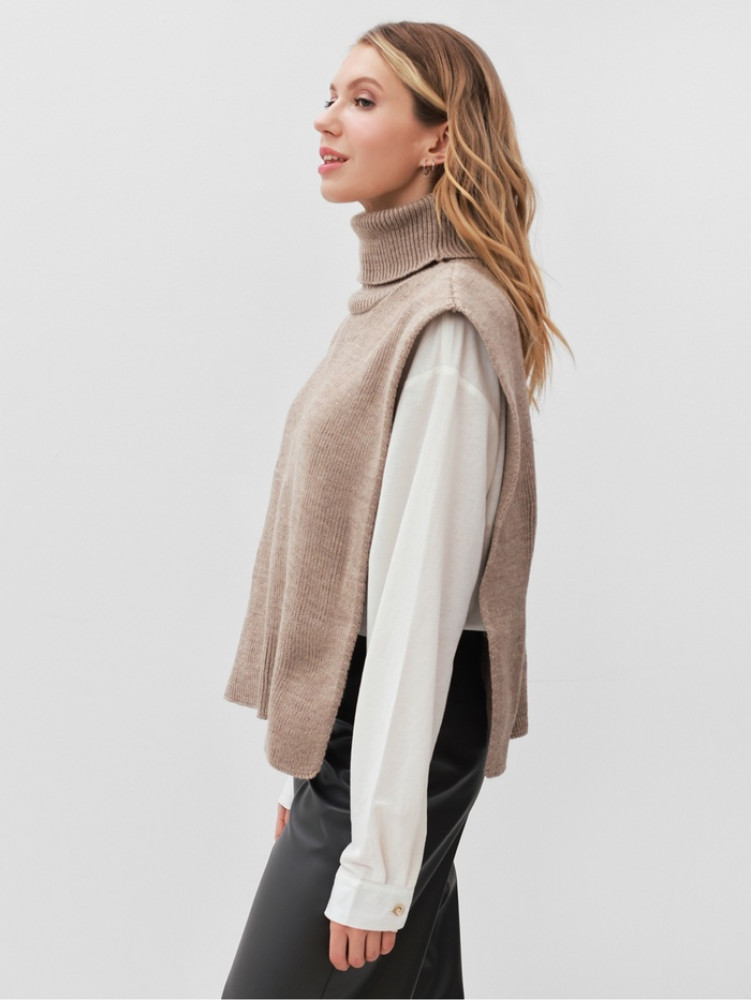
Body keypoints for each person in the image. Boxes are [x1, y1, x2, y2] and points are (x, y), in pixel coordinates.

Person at [220, 20, 567, 1000]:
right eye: (331, 95)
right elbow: (350, 578)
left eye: (363, 100)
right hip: (357, 747)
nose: (327, 119)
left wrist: (372, 849)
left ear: (439, 138)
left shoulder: (445, 322)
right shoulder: (390, 303)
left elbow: (416, 613)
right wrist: (306, 778)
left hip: (388, 743)